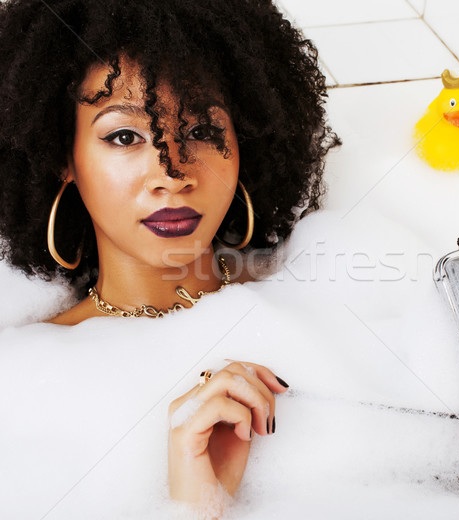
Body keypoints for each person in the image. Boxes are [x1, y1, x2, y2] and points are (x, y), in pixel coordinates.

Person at [0, 0, 338, 512]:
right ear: (63, 158)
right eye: (125, 136)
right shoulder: (23, 385)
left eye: (202, 131)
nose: (172, 173)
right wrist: (198, 505)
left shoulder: (323, 300)